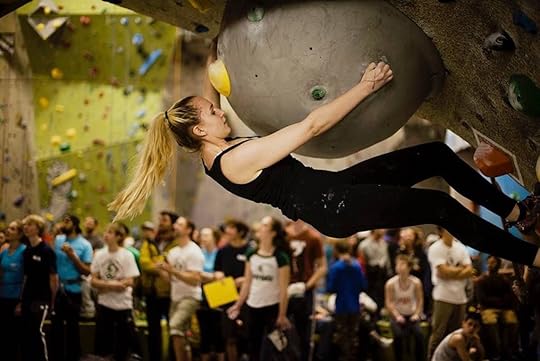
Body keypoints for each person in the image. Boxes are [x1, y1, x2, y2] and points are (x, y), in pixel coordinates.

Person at [109, 43, 540, 269]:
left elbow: (207, 101)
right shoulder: (235, 160)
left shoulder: (212, 147)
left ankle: (517, 211)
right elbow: (312, 126)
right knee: (440, 206)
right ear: (200, 130)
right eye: (211, 112)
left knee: (433, 155)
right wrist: (366, 86)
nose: (219, 109)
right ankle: (532, 257)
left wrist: (215, 57)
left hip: (335, 188)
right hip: (334, 207)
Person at [227, 216, 292, 361]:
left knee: (274, 349)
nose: (260, 227)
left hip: (271, 307)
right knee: (252, 347)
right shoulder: (251, 254)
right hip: (252, 305)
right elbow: (247, 283)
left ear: (273, 232)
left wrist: (282, 314)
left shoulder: (281, 257)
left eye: (264, 225)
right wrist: (238, 305)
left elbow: (283, 289)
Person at [91, 222, 142, 361]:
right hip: (104, 304)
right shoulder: (99, 254)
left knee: (123, 344)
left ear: (119, 236)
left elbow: (130, 280)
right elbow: (93, 280)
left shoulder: (127, 255)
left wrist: (108, 285)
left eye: (110, 232)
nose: (105, 235)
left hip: (122, 306)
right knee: (103, 344)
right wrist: (112, 284)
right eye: (105, 232)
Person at [158, 216, 204, 361]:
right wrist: (161, 270)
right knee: (180, 333)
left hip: (190, 296)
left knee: (175, 327)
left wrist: (172, 270)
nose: (175, 226)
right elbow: (172, 279)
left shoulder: (194, 251)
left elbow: (195, 279)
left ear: (188, 230)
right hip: (175, 296)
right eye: (176, 223)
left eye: (180, 224)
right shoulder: (173, 252)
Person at [52, 214, 93, 361]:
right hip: (57, 289)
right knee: (56, 327)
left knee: (72, 328)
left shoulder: (85, 245)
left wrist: (72, 255)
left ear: (75, 225)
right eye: (63, 220)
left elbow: (87, 271)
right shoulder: (58, 240)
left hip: (74, 289)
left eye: (67, 221)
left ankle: (73, 357)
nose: (63, 224)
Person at [427, 228, 473, 359]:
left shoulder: (460, 247)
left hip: (460, 297)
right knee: (438, 334)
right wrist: (460, 270)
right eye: (448, 229)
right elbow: (442, 272)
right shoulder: (435, 248)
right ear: (441, 232)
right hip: (443, 297)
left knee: (457, 335)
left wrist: (451, 271)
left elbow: (470, 270)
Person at [285, 219, 327, 361]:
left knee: (305, 333)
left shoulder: (313, 237)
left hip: (305, 291)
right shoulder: (283, 235)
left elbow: (322, 267)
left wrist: (307, 285)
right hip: (284, 291)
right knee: (281, 332)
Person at [139, 212, 179, 361]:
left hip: (170, 292)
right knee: (153, 330)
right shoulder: (150, 241)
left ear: (173, 223)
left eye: (165, 220)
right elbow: (144, 263)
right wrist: (161, 266)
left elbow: (173, 263)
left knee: (173, 329)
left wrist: (157, 262)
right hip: (151, 291)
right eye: (160, 219)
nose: (161, 223)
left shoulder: (177, 241)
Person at [20, 215, 59, 361]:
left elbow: (53, 278)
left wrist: (52, 301)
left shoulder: (46, 251)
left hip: (41, 298)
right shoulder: (27, 251)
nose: (26, 228)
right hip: (28, 298)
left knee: (37, 331)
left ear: (38, 228)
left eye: (30, 225)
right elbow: (25, 277)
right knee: (26, 332)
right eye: (25, 225)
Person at [214, 219, 251, 361]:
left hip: (247, 298)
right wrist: (218, 274)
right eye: (227, 228)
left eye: (231, 228)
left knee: (247, 336)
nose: (227, 231)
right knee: (229, 337)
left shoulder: (250, 250)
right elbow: (217, 270)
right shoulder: (223, 251)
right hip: (227, 297)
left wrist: (245, 279)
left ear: (240, 232)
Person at [326, 239, 367, 361]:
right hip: (354, 305)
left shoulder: (336, 267)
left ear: (337, 250)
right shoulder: (357, 265)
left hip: (341, 306)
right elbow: (363, 285)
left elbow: (331, 287)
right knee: (353, 336)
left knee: (342, 336)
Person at [474, 255, 519, 360]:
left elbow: (509, 297)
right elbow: (482, 299)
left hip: (504, 308)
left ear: (498, 264)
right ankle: (496, 352)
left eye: (493, 263)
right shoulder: (482, 280)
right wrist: (499, 302)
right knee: (491, 322)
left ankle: (511, 351)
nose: (490, 265)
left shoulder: (504, 280)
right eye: (489, 263)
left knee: (512, 321)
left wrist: (498, 303)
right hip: (488, 309)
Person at [384, 254, 425, 361]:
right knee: (398, 336)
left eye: (402, 264)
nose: (399, 266)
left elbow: (420, 300)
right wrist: (397, 316)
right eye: (397, 264)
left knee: (419, 335)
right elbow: (389, 302)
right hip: (397, 316)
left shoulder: (416, 282)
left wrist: (417, 314)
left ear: (409, 267)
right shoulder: (391, 283)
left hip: (412, 315)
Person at [196, 227, 226, 361]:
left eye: (207, 235)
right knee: (204, 334)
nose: (203, 238)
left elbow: (222, 275)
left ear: (214, 237)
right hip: (201, 296)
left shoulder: (220, 254)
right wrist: (212, 276)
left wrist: (207, 276)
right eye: (202, 235)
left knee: (219, 333)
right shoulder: (197, 254)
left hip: (217, 296)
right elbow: (196, 275)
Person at [0, 220, 26, 361]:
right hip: (2, 296)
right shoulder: (4, 251)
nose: (8, 231)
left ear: (20, 234)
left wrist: (21, 302)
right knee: (3, 334)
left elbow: (26, 278)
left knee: (13, 335)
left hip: (15, 298)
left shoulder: (24, 251)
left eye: (13, 229)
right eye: (8, 228)